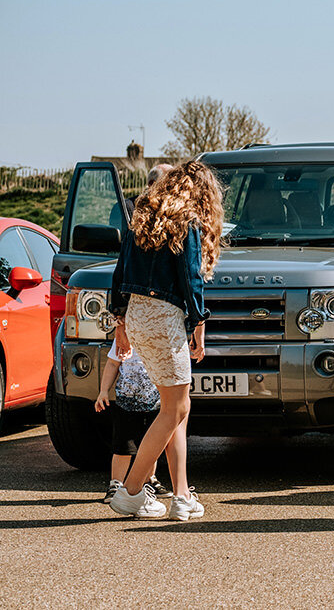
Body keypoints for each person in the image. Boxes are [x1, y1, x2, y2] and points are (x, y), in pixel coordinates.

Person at [106, 160, 223, 520]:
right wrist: (198, 321)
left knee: (176, 407)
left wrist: (121, 317)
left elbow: (119, 272)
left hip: (139, 315)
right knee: (175, 408)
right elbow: (191, 277)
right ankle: (131, 491)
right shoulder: (186, 221)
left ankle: (179, 496)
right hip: (164, 317)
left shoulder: (143, 219)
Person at [94, 343, 170, 503]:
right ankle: (116, 484)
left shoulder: (158, 336)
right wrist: (103, 391)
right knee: (123, 446)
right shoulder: (124, 337)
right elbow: (113, 363)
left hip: (155, 401)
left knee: (151, 444)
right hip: (126, 401)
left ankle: (149, 480)